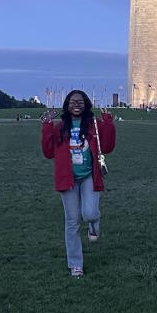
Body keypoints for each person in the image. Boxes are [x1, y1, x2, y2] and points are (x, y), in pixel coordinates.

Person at [41, 90, 116, 278]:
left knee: (90, 213)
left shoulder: (94, 125)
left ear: (86, 104)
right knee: (72, 222)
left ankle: (93, 223)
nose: (76, 105)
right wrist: (47, 126)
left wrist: (107, 121)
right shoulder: (60, 128)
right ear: (67, 105)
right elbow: (48, 152)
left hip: (89, 175)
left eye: (80, 102)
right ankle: (76, 264)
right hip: (68, 179)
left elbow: (107, 147)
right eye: (73, 102)